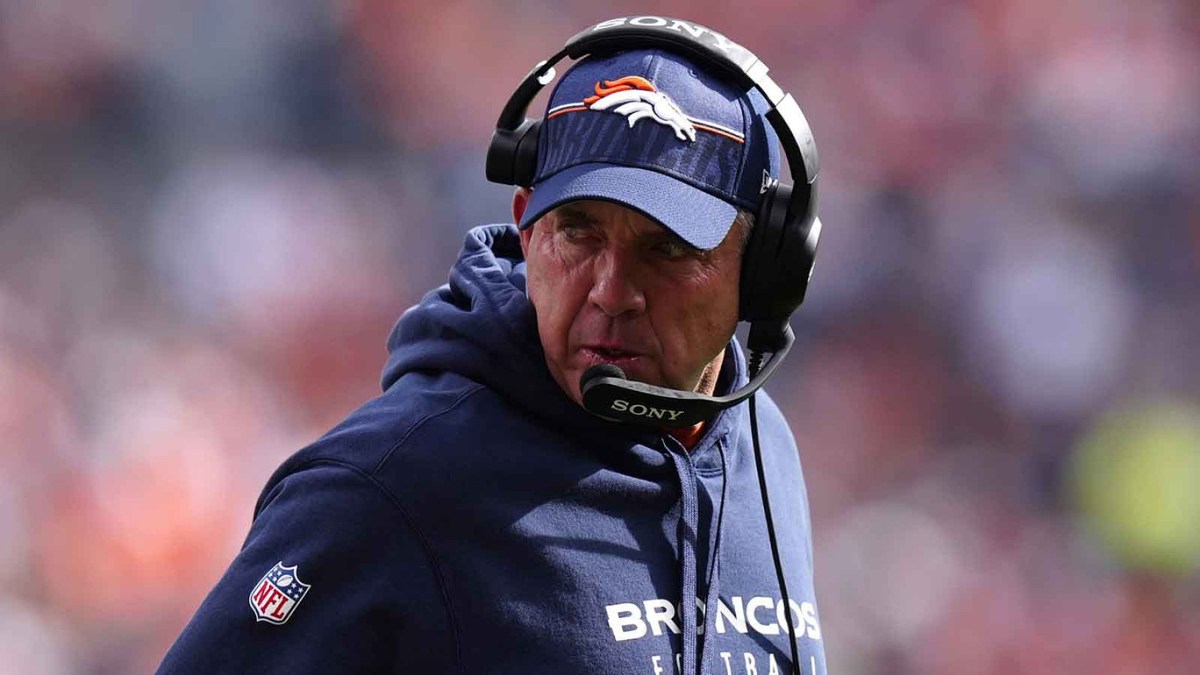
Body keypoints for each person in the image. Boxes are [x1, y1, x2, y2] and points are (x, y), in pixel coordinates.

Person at [157, 17, 827, 675]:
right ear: (526, 228)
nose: (611, 291)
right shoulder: (388, 485)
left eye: (668, 249)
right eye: (578, 232)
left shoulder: (762, 446)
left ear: (763, 273)